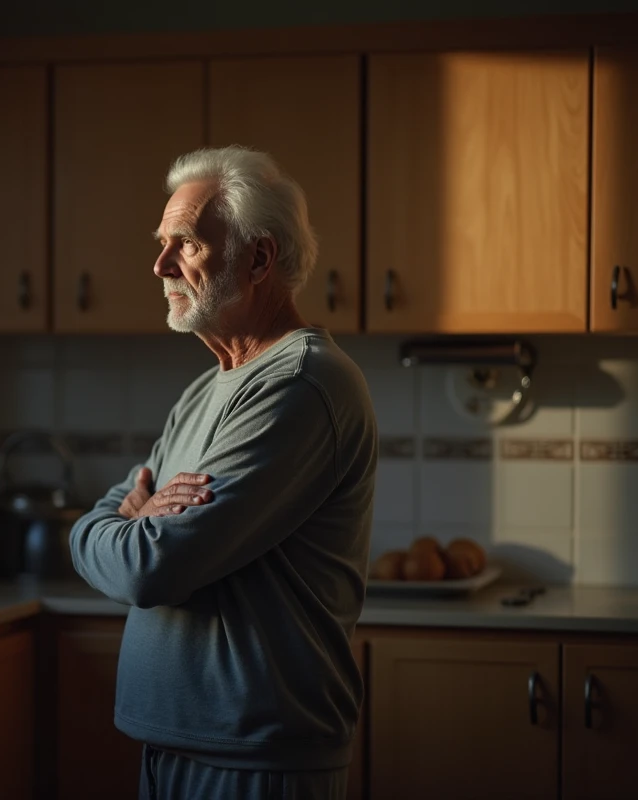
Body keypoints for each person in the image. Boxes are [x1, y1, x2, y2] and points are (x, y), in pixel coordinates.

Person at [69, 145, 377, 800]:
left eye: (185, 245)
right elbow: (98, 525)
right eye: (160, 244)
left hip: (254, 759)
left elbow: (150, 568)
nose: (159, 266)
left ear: (259, 258)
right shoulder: (208, 389)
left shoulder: (301, 384)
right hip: (177, 744)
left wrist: (122, 530)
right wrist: (111, 525)